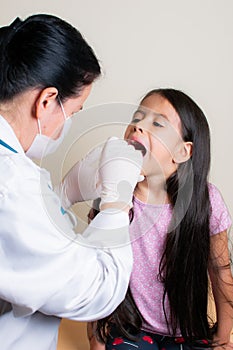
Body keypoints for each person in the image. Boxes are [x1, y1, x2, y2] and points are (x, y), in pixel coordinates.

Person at [0, 14, 144, 350]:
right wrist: (116, 203)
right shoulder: (13, 187)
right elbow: (97, 292)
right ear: (47, 100)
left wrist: (62, 196)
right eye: (76, 111)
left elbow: (23, 247)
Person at [87, 88, 233, 349]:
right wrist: (96, 339)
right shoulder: (112, 197)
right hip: (132, 328)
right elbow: (98, 270)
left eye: (156, 123)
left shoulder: (206, 202)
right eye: (137, 117)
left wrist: (223, 336)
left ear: (182, 152)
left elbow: (220, 271)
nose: (137, 127)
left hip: (188, 330)